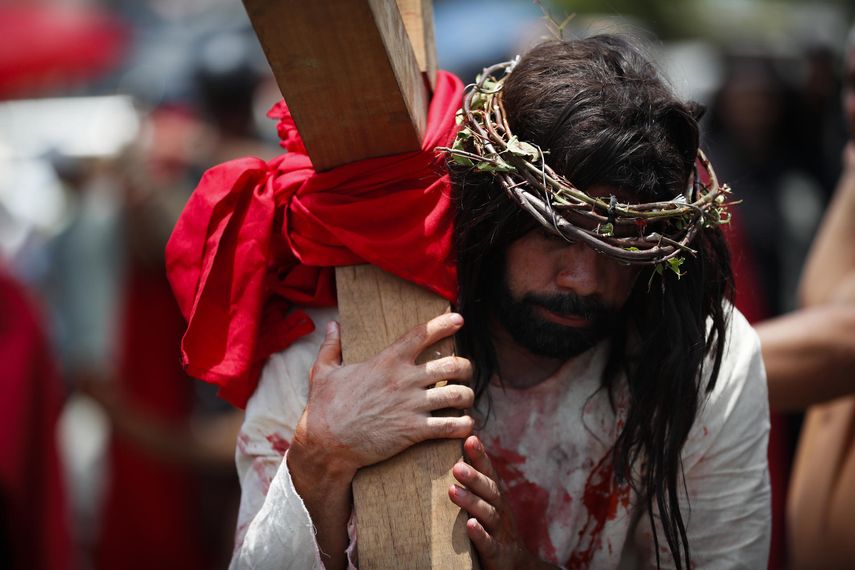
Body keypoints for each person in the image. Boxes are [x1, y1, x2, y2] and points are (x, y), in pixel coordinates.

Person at [166, 35, 770, 568]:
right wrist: (322, 458)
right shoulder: (334, 355)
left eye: (620, 242)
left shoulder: (705, 361)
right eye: (555, 232)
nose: (584, 279)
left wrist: (518, 564)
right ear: (490, 215)